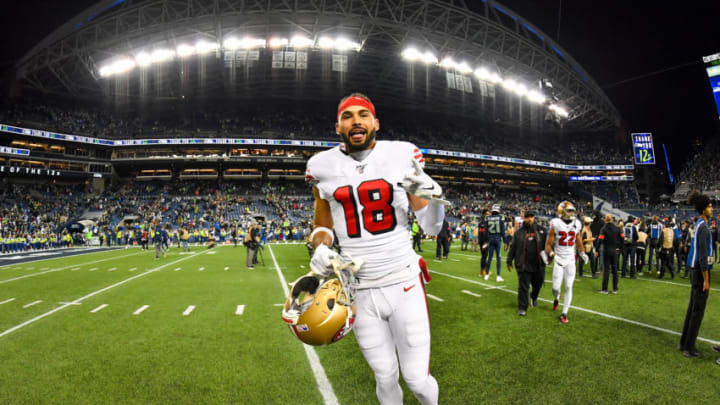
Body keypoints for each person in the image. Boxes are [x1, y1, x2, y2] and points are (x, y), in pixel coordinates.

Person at [302, 93, 445, 404]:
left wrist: (434, 198)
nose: (356, 121)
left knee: (418, 381)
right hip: (359, 289)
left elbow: (431, 227)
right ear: (337, 126)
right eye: (348, 116)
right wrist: (320, 247)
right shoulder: (320, 166)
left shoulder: (402, 155)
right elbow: (322, 224)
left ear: (375, 123)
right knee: (384, 375)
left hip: (403, 282)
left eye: (363, 115)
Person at [679, 192, 714, 358]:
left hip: (694, 271)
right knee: (697, 311)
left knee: (692, 309)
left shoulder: (698, 224)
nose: (712, 208)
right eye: (709, 206)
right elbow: (703, 256)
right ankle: (689, 347)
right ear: (703, 209)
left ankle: (684, 343)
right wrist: (706, 279)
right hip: (700, 273)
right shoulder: (704, 228)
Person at [545, 201, 587, 324]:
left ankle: (564, 313)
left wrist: (582, 252)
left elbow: (578, 239)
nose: (572, 213)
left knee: (569, 286)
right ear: (562, 211)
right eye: (569, 210)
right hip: (559, 259)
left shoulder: (577, 224)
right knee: (555, 288)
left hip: (570, 259)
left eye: (572, 210)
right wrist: (553, 255)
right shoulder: (556, 224)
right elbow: (548, 244)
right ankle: (557, 297)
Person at [506, 211, 546, 316]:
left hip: (538, 264)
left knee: (539, 283)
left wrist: (550, 256)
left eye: (531, 217)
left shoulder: (542, 230)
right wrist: (509, 260)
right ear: (524, 218)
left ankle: (533, 297)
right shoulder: (518, 233)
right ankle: (522, 307)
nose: (529, 219)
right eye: (527, 217)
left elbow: (549, 244)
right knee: (523, 287)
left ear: (534, 217)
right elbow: (513, 247)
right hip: (523, 263)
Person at [598, 214, 623, 294]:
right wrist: (620, 248)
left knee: (607, 270)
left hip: (606, 251)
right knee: (615, 270)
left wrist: (597, 249)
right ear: (612, 219)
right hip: (615, 251)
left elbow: (600, 240)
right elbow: (622, 238)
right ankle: (615, 289)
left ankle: (604, 289)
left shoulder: (604, 229)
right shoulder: (617, 228)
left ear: (605, 220)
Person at [485, 204, 506, 282]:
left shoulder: (487, 218)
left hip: (490, 239)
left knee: (489, 257)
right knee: (498, 258)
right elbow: (503, 231)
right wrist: (505, 241)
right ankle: (498, 276)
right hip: (497, 239)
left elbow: (486, 231)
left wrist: (486, 241)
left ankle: (487, 275)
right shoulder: (501, 218)